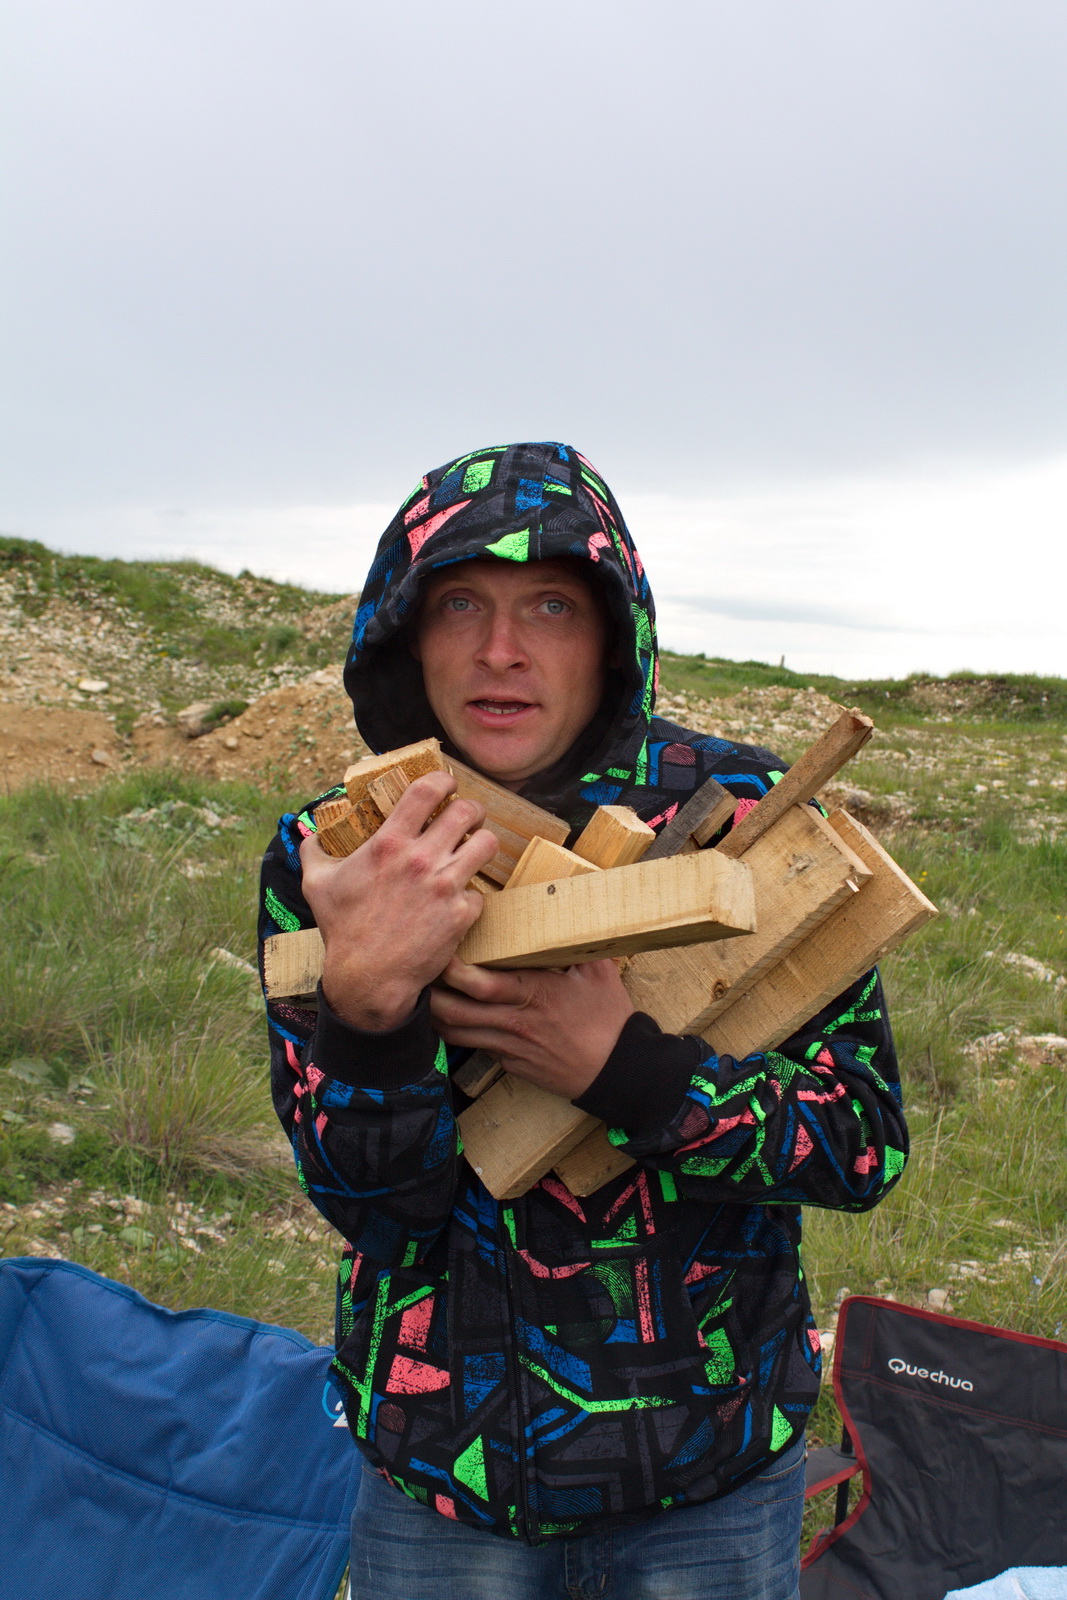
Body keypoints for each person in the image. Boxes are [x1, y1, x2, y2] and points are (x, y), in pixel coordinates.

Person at [259, 442, 907, 1600]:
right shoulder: (343, 851)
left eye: (550, 604)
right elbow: (374, 1210)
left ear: (612, 633)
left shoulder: (738, 817)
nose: (499, 649)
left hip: (707, 1482)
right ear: (404, 629)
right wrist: (368, 1012)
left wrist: (624, 1069)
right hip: (441, 1485)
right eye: (459, 602)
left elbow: (859, 1143)